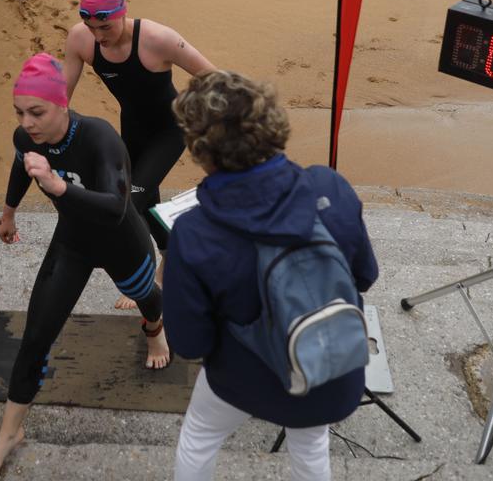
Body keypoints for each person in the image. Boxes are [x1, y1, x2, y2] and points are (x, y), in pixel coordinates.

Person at [162, 71, 379, 481]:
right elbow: (365, 276)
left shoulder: (193, 232)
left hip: (245, 380)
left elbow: (190, 344)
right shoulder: (329, 186)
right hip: (328, 370)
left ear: (201, 150)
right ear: (272, 126)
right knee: (311, 445)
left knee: (200, 435)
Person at [0, 53, 170, 480]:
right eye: (20, 112)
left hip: (122, 242)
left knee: (146, 297)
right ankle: (10, 433)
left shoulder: (100, 138)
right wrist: (8, 213)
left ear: (62, 102)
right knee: (35, 338)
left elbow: (116, 207)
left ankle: (155, 330)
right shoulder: (26, 137)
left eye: (37, 112)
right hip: (73, 243)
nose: (27, 123)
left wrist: (56, 185)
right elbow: (22, 164)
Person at [62, 0, 215, 309]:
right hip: (131, 130)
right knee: (144, 202)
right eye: (91, 27)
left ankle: (149, 279)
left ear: (123, 11)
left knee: (129, 202)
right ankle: (171, 253)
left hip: (170, 130)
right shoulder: (80, 39)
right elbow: (61, 100)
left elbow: (214, 78)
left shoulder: (159, 39)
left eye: (105, 27)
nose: (98, 36)